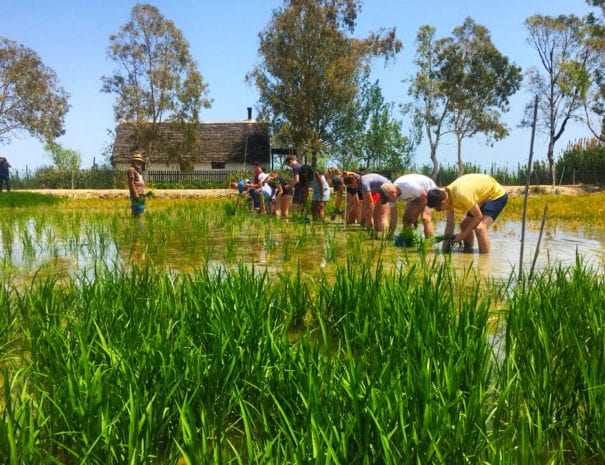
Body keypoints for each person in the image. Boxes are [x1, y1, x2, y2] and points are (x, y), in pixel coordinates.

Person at [426, 173, 508, 254]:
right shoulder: (447, 196)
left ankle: (484, 262)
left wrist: (462, 236)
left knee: (480, 228)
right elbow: (450, 224)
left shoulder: (461, 195)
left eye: (438, 210)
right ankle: (468, 251)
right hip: (481, 196)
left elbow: (478, 216)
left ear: (443, 203)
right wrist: (444, 249)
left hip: (495, 194)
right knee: (464, 225)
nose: (441, 211)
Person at [127, 151, 146, 218]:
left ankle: (137, 225)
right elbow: (131, 182)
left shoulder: (138, 171)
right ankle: (134, 224)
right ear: (133, 162)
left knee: (140, 211)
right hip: (136, 194)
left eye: (140, 162)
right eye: (137, 161)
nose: (139, 163)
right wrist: (135, 193)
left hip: (141, 194)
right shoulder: (131, 170)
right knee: (136, 210)